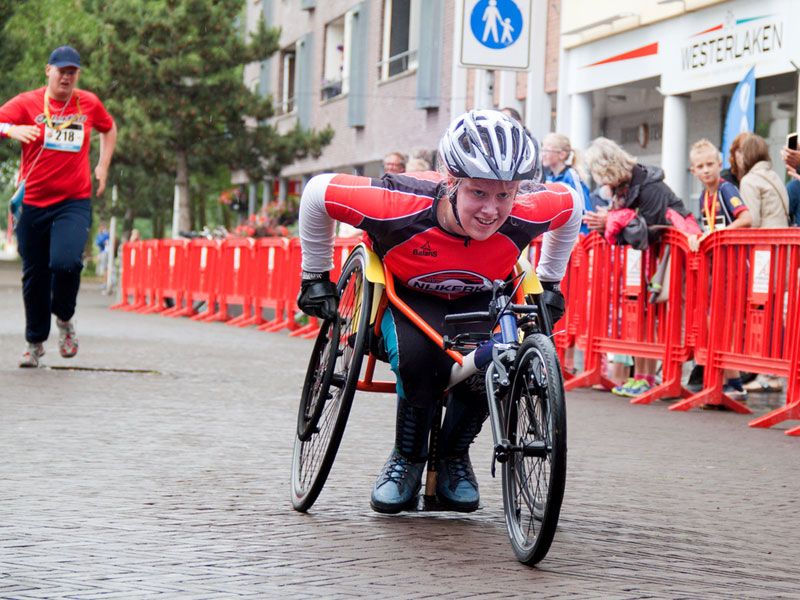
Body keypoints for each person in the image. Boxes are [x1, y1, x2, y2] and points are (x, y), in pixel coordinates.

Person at [296, 110, 581, 513]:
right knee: (419, 361)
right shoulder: (397, 202)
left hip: (482, 297)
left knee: (497, 367)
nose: (491, 210)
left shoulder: (528, 210)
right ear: (452, 182)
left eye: (504, 195)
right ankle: (407, 459)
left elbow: (572, 207)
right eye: (478, 193)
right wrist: (314, 276)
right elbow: (317, 192)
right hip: (407, 297)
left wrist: (551, 282)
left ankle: (453, 458)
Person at [0, 45, 117, 368]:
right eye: (61, 70)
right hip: (33, 203)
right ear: (47, 71)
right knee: (35, 276)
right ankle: (35, 342)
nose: (67, 76)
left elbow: (109, 129)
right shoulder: (26, 103)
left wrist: (103, 166)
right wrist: (10, 129)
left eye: (72, 72)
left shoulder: (88, 103)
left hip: (73, 201)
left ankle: (64, 319)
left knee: (66, 263)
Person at [583, 137, 700, 398]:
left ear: (607, 166)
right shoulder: (623, 188)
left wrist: (612, 220)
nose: (596, 177)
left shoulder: (649, 188)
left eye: (596, 170)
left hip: (671, 260)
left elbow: (651, 232)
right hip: (649, 261)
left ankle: (663, 377)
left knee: (663, 317)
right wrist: (610, 223)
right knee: (645, 315)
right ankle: (642, 376)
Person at [686, 139, 752, 400]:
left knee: (726, 325)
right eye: (700, 166)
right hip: (718, 270)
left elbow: (746, 218)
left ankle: (734, 382)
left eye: (710, 164)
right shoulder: (704, 196)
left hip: (736, 268)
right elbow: (708, 227)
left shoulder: (726, 189)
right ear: (693, 171)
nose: (706, 170)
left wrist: (722, 232)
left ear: (720, 164)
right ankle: (729, 381)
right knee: (716, 324)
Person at [541, 133, 592, 235]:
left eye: (547, 150)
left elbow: (584, 211)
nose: (543, 154)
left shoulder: (572, 176)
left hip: (576, 237)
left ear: (562, 154)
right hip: (556, 235)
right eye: (542, 149)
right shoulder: (548, 178)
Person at [736, 133, 790, 229]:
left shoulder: (749, 181)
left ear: (747, 155)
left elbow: (752, 221)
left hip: (764, 241)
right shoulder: (774, 176)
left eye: (742, 152)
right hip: (783, 240)